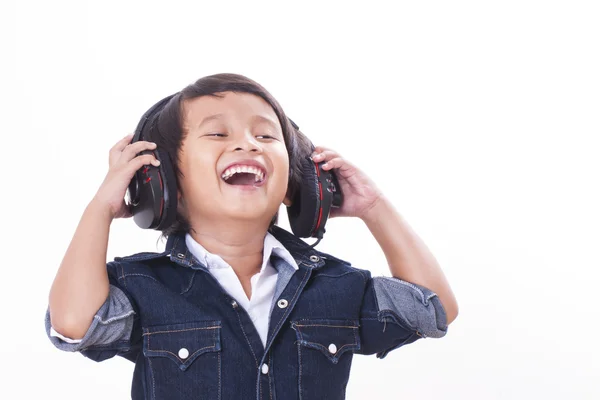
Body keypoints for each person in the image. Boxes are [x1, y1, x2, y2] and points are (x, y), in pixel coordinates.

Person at [44, 73, 458, 400]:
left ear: (301, 182)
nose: (248, 144)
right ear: (162, 181)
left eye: (265, 135)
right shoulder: (144, 287)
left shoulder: (336, 286)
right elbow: (75, 323)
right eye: (218, 134)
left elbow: (433, 309)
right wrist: (99, 209)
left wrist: (374, 207)